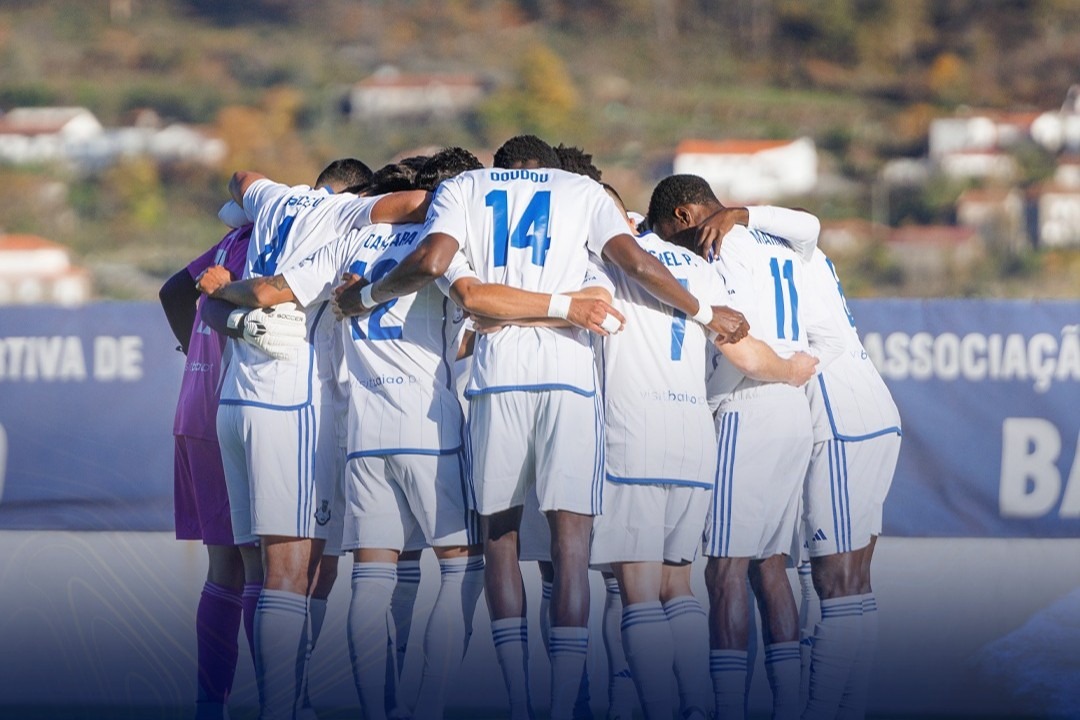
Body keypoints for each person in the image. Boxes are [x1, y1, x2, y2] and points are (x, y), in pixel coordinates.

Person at [334, 134, 749, 720]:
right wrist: (703, 313)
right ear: (552, 172)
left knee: (498, 544)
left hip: (494, 381)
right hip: (569, 380)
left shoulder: (463, 188)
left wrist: (369, 296)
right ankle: (562, 705)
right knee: (572, 550)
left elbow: (452, 280)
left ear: (500, 169)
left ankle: (518, 701)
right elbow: (630, 262)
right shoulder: (581, 194)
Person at [200, 148, 487, 720]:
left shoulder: (280, 199)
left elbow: (243, 176)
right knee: (449, 566)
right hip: (314, 405)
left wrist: (234, 223)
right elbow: (425, 213)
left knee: (285, 571)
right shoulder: (352, 228)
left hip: (245, 400)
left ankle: (276, 703)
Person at [587, 185, 818, 720]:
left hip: (637, 428)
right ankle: (697, 706)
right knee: (680, 584)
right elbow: (738, 337)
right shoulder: (706, 270)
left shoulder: (612, 260)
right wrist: (791, 372)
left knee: (640, 590)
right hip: (694, 433)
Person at [647, 174, 842, 720]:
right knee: (770, 566)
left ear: (686, 216)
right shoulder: (774, 239)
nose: (672, 249)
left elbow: (736, 341)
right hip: (790, 413)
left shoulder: (714, 248)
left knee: (724, 568)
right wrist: (743, 212)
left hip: (747, 407)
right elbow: (811, 223)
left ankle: (728, 708)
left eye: (670, 235)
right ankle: (788, 705)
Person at [159, 205, 264, 720]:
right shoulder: (273, 239)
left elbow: (171, 291)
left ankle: (209, 704)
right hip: (235, 411)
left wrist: (193, 351)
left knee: (226, 566)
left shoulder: (236, 236)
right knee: (263, 568)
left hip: (195, 406)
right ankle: (279, 700)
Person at [798, 247, 901, 720]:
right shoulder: (808, 251)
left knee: (834, 583)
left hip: (841, 421)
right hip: (876, 409)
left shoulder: (750, 251)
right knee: (857, 584)